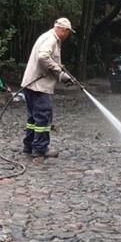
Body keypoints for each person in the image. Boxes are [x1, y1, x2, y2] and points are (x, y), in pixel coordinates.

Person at [20, 17, 76, 159]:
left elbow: (48, 58)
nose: (68, 35)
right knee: (43, 117)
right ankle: (40, 149)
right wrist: (59, 72)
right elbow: (43, 57)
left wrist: (61, 71)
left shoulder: (46, 36)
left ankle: (28, 146)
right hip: (39, 86)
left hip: (30, 84)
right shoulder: (51, 39)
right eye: (68, 32)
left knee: (33, 118)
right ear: (64, 30)